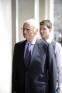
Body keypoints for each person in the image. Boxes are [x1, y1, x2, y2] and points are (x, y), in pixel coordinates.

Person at [12, 18, 56, 93]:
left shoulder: (46, 47)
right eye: (23, 29)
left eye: (27, 29)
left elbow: (52, 72)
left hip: (39, 90)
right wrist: (14, 89)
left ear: (36, 31)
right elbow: (15, 70)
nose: (24, 32)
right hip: (21, 89)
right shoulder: (18, 46)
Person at [40, 19, 62, 93]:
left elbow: (60, 67)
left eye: (44, 29)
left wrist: (60, 85)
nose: (41, 31)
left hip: (53, 84)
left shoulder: (57, 46)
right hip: (39, 85)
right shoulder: (37, 45)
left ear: (50, 29)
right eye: (40, 29)